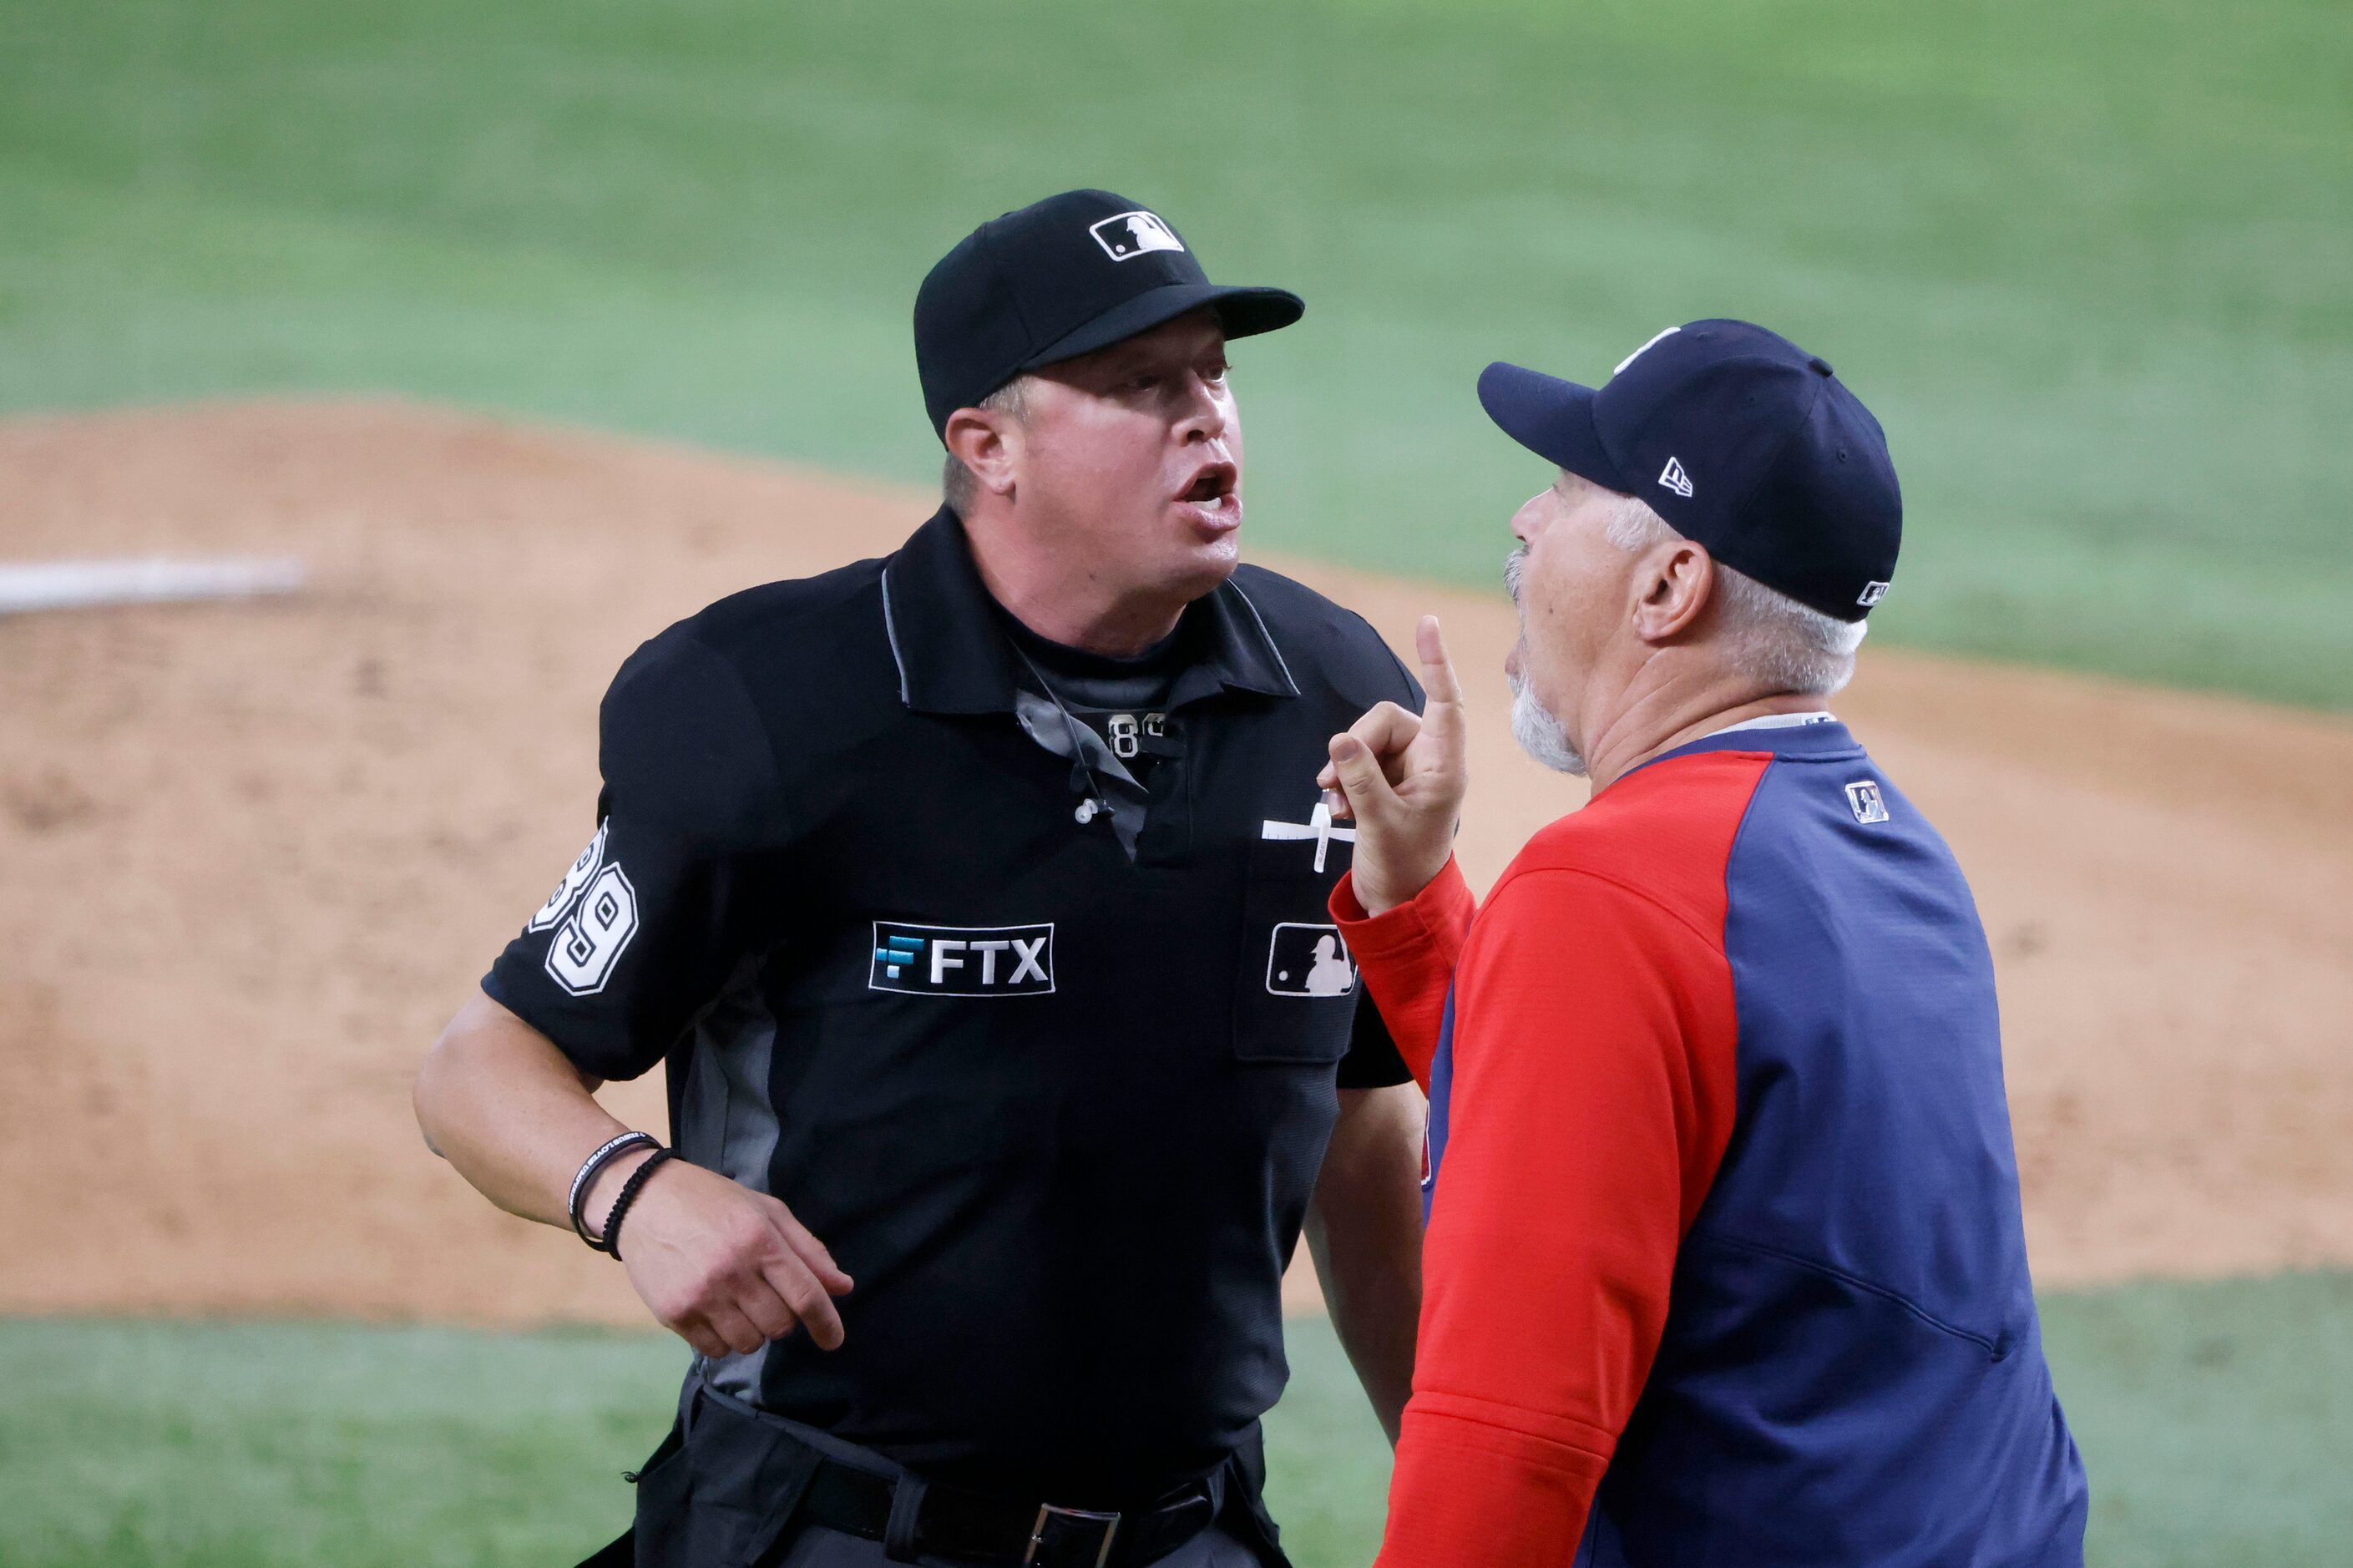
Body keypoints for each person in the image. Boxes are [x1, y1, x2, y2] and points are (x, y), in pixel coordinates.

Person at [412, 190, 1430, 1568]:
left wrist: (1455, 1470)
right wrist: (632, 1190)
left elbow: (1364, 1125)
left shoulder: (1331, 697)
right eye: (1140, 383)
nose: (1207, 418)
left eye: (1213, 371)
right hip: (835, 1528)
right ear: (985, 443)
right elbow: (481, 1065)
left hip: (1192, 1533)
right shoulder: (771, 706)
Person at [1318, 321, 2089, 1565]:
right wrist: (1417, 910)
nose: (1523, 517)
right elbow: (1629, 1121)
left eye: (1568, 487)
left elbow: (1505, 1440)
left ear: (1668, 587)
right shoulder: (1893, 857)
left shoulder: (1606, 894)